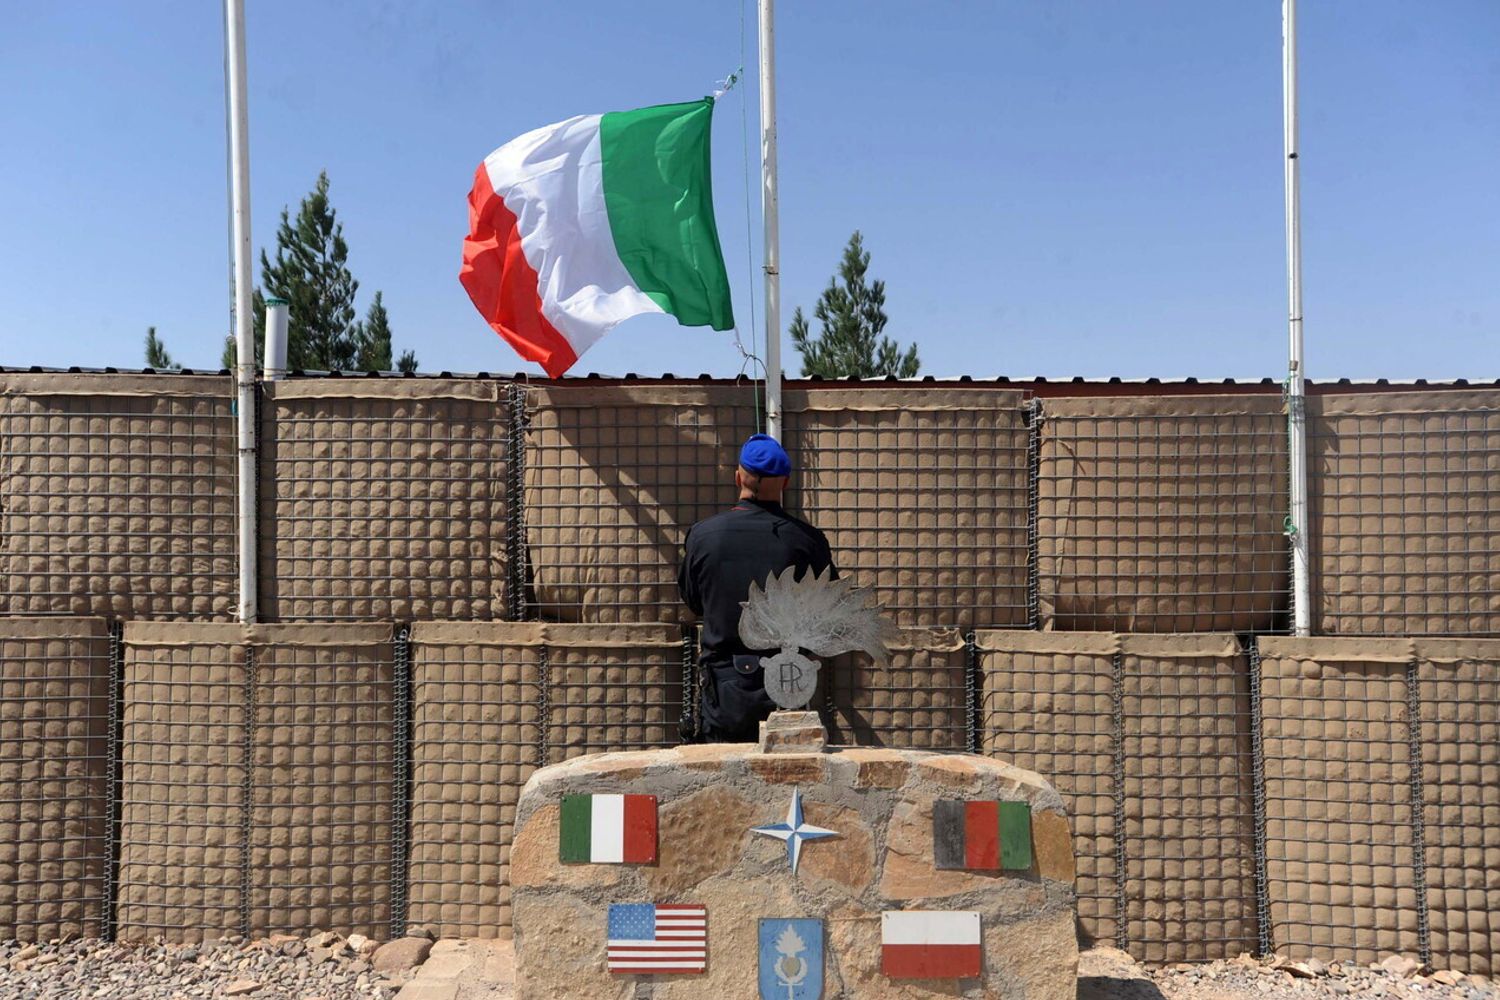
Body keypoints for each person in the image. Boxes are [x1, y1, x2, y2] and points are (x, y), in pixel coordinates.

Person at [678, 433, 838, 742]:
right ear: (786, 483)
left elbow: (694, 601)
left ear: (738, 477)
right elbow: (827, 607)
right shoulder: (807, 540)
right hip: (789, 684)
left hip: (723, 687)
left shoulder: (703, 536)